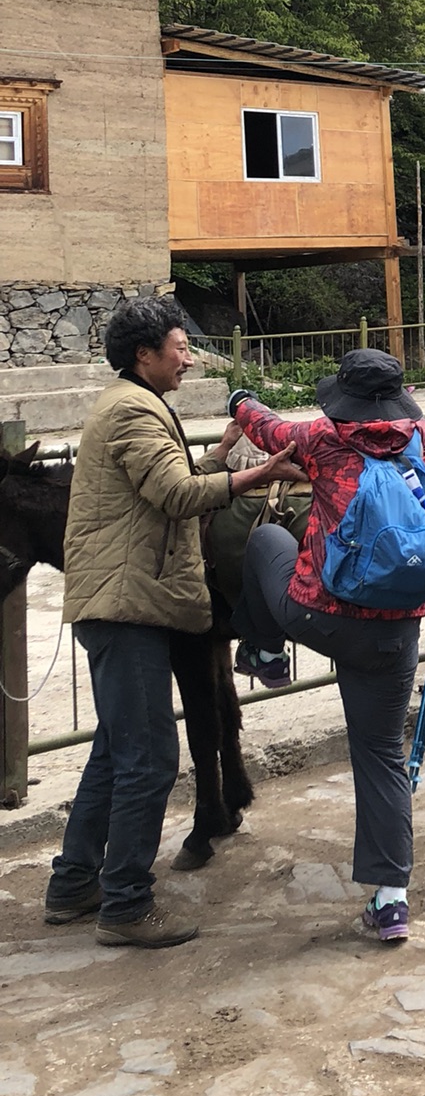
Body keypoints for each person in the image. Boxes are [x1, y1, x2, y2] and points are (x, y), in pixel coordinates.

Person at [44, 296, 299, 947]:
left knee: (114, 752)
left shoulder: (134, 405)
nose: (189, 358)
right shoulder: (132, 410)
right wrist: (262, 473)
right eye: (180, 348)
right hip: (124, 605)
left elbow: (171, 480)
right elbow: (177, 496)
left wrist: (222, 453)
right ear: (144, 355)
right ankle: (126, 905)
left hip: (124, 603)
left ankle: (75, 884)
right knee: (150, 757)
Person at [227, 349, 425, 943]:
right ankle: (391, 902)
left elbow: (267, 428)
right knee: (381, 754)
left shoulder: (321, 439)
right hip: (397, 629)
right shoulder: (421, 439)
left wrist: (238, 401)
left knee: (268, 540)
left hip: (322, 616)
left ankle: (268, 654)